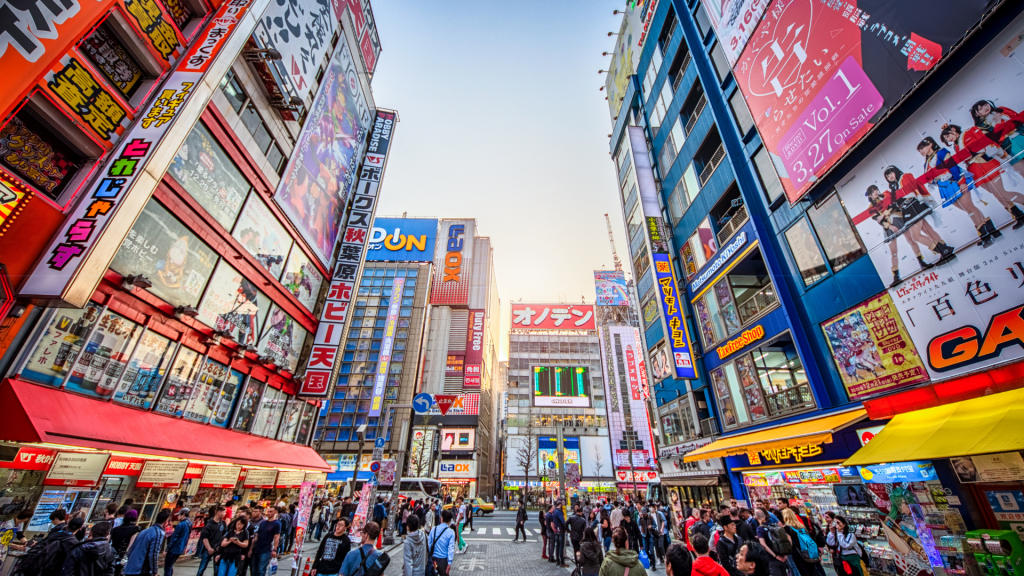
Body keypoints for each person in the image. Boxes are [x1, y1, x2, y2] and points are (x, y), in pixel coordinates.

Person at [124, 509, 171, 576]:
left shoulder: (145, 531)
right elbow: (153, 553)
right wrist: (155, 572)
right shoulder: (158, 532)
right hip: (141, 569)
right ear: (165, 521)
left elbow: (131, 549)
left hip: (131, 568)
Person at [755, 510, 789, 576]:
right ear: (765, 516)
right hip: (782, 556)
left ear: (756, 517)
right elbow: (787, 538)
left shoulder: (760, 528)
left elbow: (763, 544)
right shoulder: (774, 525)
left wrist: (776, 556)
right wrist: (785, 555)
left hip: (772, 558)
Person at [251, 506, 281, 576]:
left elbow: (277, 537)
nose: (269, 513)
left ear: (275, 512)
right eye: (268, 511)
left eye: (271, 512)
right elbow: (257, 535)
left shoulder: (276, 523)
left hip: (266, 550)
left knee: (261, 570)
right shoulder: (263, 522)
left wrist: (275, 549)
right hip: (256, 548)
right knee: (254, 570)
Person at [197, 507, 226, 576]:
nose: (224, 514)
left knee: (217, 569)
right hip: (208, 548)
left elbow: (224, 535)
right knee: (202, 568)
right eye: (223, 512)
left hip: (218, 549)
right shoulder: (209, 524)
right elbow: (204, 537)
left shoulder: (223, 523)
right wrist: (209, 548)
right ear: (218, 512)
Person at [164, 508, 191, 576]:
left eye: (179, 515)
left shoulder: (181, 525)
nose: (178, 516)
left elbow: (174, 538)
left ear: (183, 514)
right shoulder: (189, 523)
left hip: (174, 548)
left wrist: (167, 549)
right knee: (170, 565)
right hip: (180, 548)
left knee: (167, 566)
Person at [427, 511, 455, 576]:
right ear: (449, 521)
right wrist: (449, 562)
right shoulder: (451, 532)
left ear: (441, 518)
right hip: (444, 561)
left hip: (433, 559)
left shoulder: (434, 529)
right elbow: (451, 549)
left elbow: (429, 545)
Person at [550, 502, 567, 568]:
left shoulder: (554, 512)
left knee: (557, 545)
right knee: (561, 546)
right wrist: (565, 528)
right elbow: (562, 521)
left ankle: (557, 560)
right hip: (560, 530)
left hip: (556, 530)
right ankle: (561, 561)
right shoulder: (559, 512)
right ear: (560, 505)